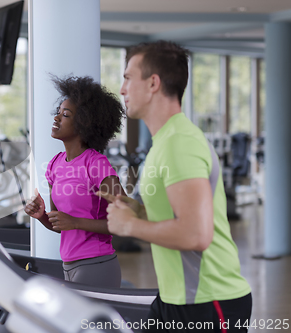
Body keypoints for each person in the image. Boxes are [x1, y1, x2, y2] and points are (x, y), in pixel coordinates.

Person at [99, 41, 252, 332]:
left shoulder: (179, 143)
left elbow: (196, 234)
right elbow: (175, 216)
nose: (122, 89)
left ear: (153, 83)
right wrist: (136, 210)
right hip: (176, 298)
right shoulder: (165, 142)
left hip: (209, 302)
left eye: (128, 77)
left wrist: (130, 226)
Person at [24, 75, 125, 288]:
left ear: (83, 123)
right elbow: (61, 225)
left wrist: (76, 222)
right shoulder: (54, 165)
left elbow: (127, 221)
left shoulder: (96, 164)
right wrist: (41, 216)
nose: (57, 119)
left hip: (97, 265)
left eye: (66, 115)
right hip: (68, 265)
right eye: (58, 113)